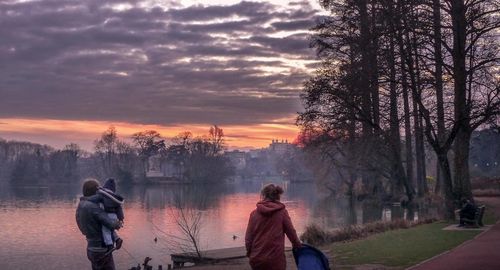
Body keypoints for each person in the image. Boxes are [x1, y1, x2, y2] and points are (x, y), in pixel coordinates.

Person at [245, 183, 302, 270]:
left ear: (264, 195)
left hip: (256, 259)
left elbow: (248, 238)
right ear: (277, 196)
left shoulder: (254, 214)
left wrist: (250, 253)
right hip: (275, 260)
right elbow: (291, 233)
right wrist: (298, 245)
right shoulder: (282, 213)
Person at [76, 179, 122, 270]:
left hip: (91, 248)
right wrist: (118, 222)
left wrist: (116, 238)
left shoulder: (80, 205)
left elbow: (101, 225)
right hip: (102, 250)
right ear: (96, 191)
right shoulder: (94, 207)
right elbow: (111, 224)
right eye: (99, 190)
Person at [88, 178, 125, 249]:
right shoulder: (115, 199)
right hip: (114, 217)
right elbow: (119, 210)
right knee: (111, 229)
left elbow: (94, 199)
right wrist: (121, 218)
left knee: (105, 231)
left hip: (107, 215)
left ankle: (109, 245)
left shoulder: (102, 195)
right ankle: (117, 239)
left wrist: (86, 199)